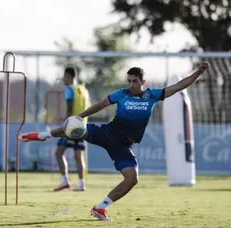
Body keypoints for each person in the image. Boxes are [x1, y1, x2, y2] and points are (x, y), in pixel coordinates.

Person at [20, 61, 209, 221]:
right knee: (77, 130)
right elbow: (100, 105)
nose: (131, 84)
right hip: (108, 133)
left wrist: (198, 72)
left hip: (123, 145)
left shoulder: (152, 95)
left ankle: (100, 208)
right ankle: (41, 136)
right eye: (129, 81)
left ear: (143, 81)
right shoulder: (121, 94)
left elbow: (179, 86)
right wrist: (80, 117)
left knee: (132, 178)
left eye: (135, 81)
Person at [53, 67, 89, 192]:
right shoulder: (83, 90)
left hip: (71, 126)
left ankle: (65, 181)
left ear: (70, 77)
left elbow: (69, 107)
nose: (63, 79)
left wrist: (65, 125)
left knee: (59, 153)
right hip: (82, 127)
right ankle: (81, 184)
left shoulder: (69, 89)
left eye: (65, 76)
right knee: (79, 156)